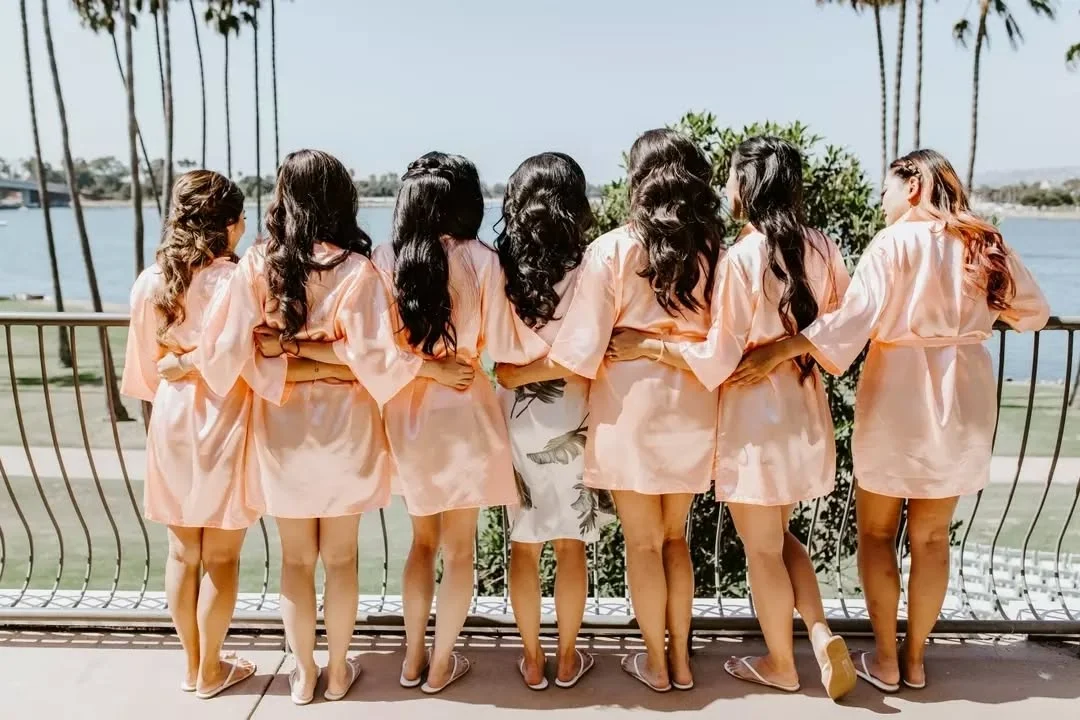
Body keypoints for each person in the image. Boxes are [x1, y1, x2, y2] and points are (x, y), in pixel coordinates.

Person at [728, 149, 1049, 692]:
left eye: (887, 190)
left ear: (915, 185)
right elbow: (1033, 312)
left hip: (900, 391)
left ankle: (884, 658)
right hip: (964, 393)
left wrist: (779, 353)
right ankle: (916, 658)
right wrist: (975, 320)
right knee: (931, 537)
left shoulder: (893, 243)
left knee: (876, 533)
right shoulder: (984, 241)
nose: (882, 201)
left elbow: (853, 319)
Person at [196, 150, 470, 705]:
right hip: (347, 426)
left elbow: (224, 353)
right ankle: (339, 669)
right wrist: (331, 354)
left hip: (282, 423)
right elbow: (378, 359)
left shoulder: (258, 265)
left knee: (296, 560)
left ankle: (303, 672)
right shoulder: (358, 270)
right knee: (342, 559)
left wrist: (288, 350)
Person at [283, 152, 547, 694]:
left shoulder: (384, 257)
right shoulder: (482, 259)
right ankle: (444, 661)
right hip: (467, 402)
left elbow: (373, 347)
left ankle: (411, 658)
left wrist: (423, 364)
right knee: (460, 549)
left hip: (407, 409)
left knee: (421, 543)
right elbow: (505, 343)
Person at [608, 137, 857, 699]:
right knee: (781, 533)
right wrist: (791, 346)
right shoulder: (819, 246)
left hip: (755, 412)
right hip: (803, 403)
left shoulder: (744, 256)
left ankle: (781, 665)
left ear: (749, 184)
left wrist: (651, 348)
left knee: (762, 548)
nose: (724, 190)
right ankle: (818, 634)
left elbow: (719, 359)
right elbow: (849, 321)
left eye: (731, 179)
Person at [541, 129, 724, 693]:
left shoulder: (613, 250)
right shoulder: (713, 251)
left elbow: (581, 347)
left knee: (642, 543)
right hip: (693, 397)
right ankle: (685, 663)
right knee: (676, 539)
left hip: (630, 404)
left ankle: (656, 663)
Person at [121, 170, 262, 700]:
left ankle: (193, 665)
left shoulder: (150, 281)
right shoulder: (239, 281)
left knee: (182, 554)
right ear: (227, 224)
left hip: (174, 419)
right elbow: (249, 358)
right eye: (240, 218)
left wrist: (181, 363)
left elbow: (146, 370)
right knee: (221, 556)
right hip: (225, 418)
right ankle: (211, 671)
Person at [492, 152, 615, 690]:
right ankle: (567, 658)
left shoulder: (501, 266)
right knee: (571, 544)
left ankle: (533, 659)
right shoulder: (592, 265)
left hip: (517, 417)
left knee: (523, 542)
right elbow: (593, 348)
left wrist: (517, 374)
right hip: (577, 415)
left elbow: (498, 363)